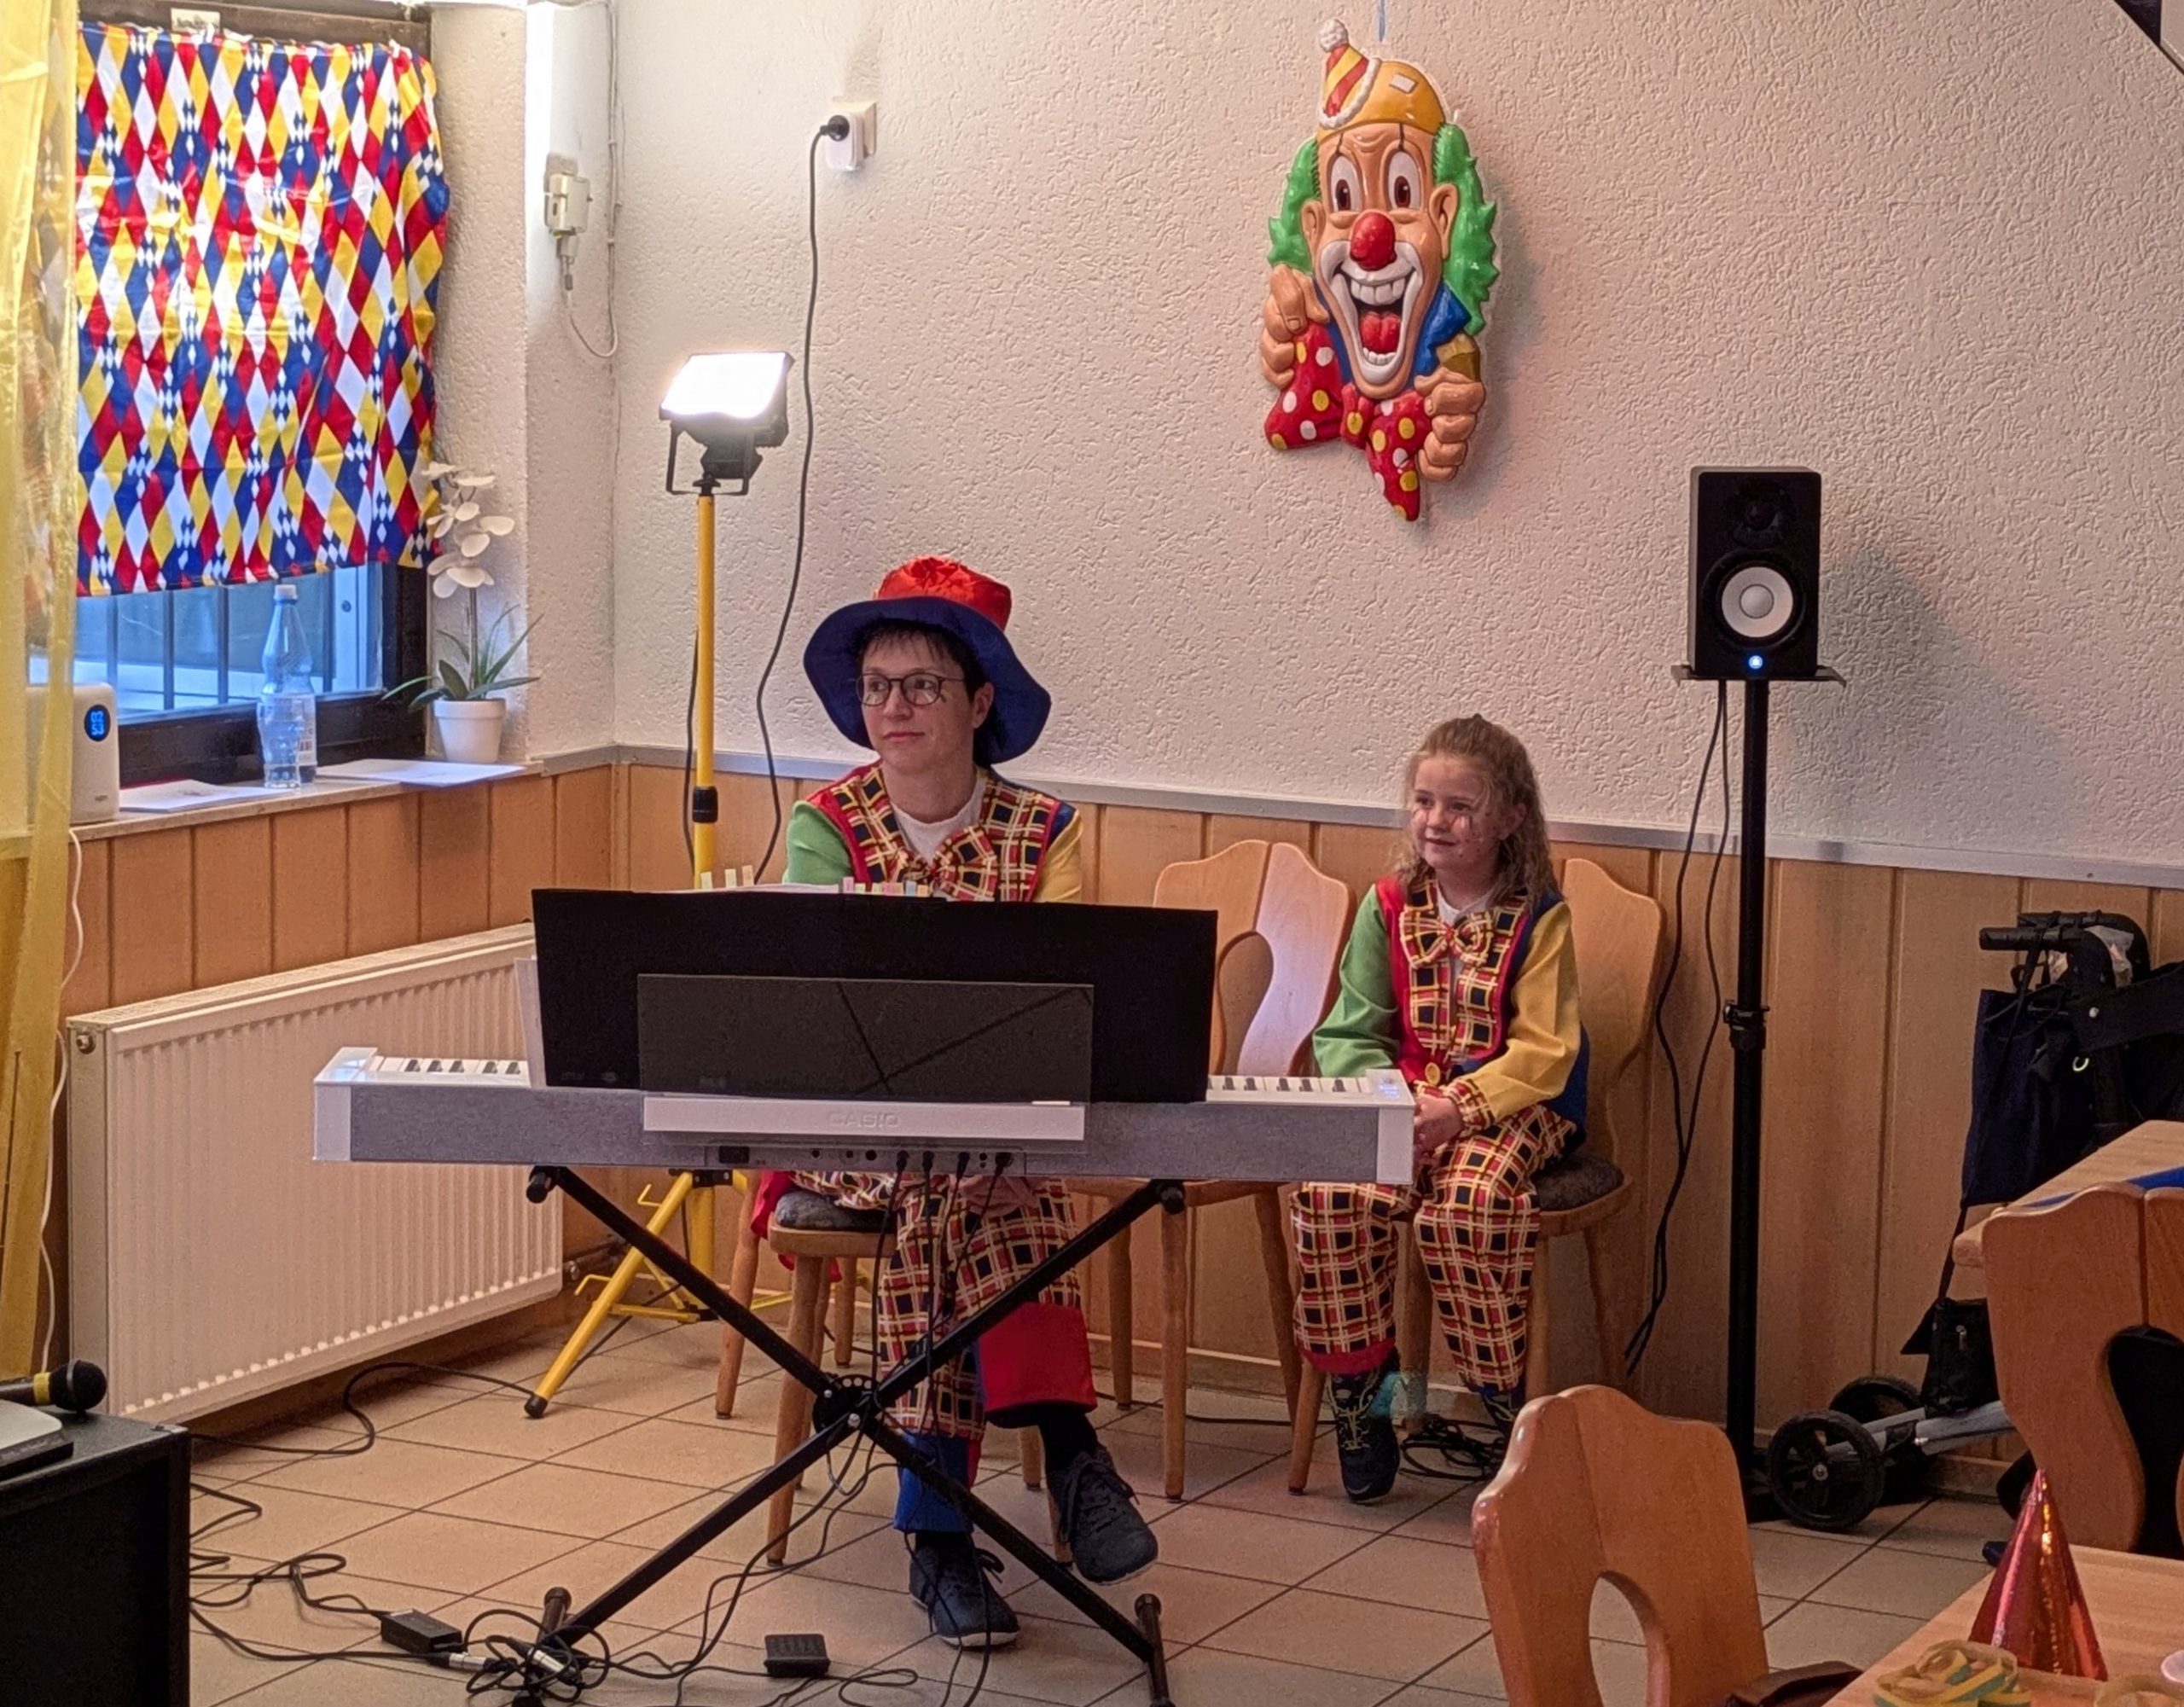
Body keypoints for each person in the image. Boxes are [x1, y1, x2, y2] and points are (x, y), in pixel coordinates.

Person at [772, 555, 1156, 1647]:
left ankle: (936, 1536)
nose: (891, 707)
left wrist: (990, 1116)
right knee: (958, 1180)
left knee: (965, 1187)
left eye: (921, 685)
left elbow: (1066, 1001)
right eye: (876, 686)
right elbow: (810, 1009)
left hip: (1000, 1122)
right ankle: (1070, 1449)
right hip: (849, 1122)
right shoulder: (825, 824)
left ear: (979, 701)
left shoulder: (1045, 829)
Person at [1291, 714, 1587, 1502]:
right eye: (1425, 801)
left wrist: (1460, 1105)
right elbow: (1349, 1029)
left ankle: (1501, 1402)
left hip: (1513, 1104)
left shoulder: (1539, 913)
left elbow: (1546, 1048)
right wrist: (1396, 1101)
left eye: (1460, 806)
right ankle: (1369, 1402)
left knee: (1467, 1205)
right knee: (1333, 1193)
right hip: (1405, 1101)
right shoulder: (1388, 904)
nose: (1436, 820)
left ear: (1509, 818)